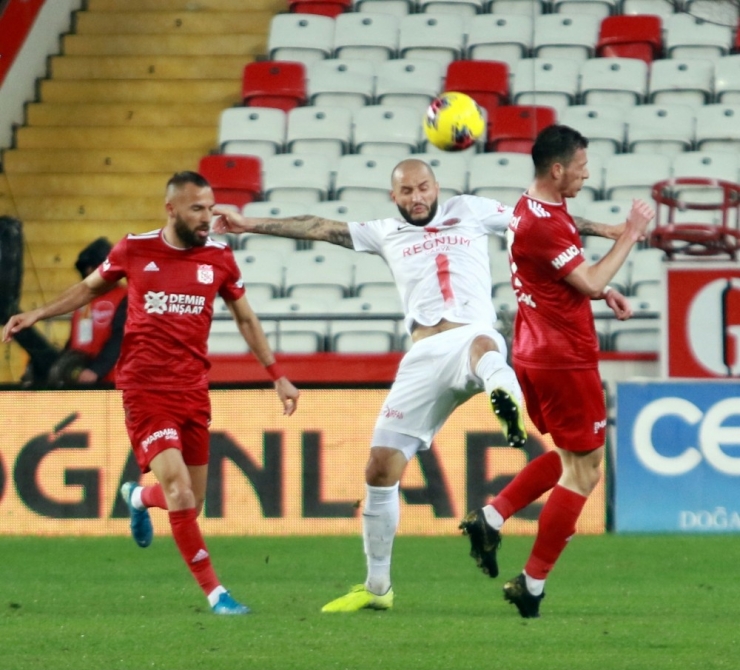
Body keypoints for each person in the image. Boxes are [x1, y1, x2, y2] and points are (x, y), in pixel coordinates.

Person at [212, 158, 623, 613]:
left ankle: (499, 393)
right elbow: (317, 226)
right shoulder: (384, 231)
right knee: (379, 469)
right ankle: (377, 588)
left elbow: (540, 220)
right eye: (407, 191)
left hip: (473, 336)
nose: (417, 197)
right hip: (424, 359)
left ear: (436, 186)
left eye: (423, 187)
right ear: (395, 196)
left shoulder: (470, 210)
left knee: (484, 343)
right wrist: (248, 223)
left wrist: (604, 229)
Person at [2, 171, 300, 615]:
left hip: (193, 391)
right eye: (197, 208)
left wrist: (276, 374)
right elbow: (88, 289)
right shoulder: (135, 248)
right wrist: (38, 314)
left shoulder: (219, 256)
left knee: (192, 502)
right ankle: (218, 595)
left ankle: (138, 497)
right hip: (144, 389)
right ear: (172, 209)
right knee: (179, 491)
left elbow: (244, 318)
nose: (208, 216)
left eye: (211, 206)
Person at [460, 125, 654, 618]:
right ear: (558, 169)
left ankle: (492, 515)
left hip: (535, 350)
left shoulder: (535, 209)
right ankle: (532, 584)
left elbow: (565, 278)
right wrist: (628, 235)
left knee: (568, 459)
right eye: (582, 168)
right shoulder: (543, 222)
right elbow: (585, 279)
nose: (587, 176)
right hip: (561, 358)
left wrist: (599, 289)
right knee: (585, 472)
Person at [14, 237, 127, 387]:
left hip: (109, 382)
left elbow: (121, 339)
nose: (89, 276)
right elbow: (74, 341)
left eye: (92, 270)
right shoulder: (82, 300)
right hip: (79, 378)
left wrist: (95, 370)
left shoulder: (124, 297)